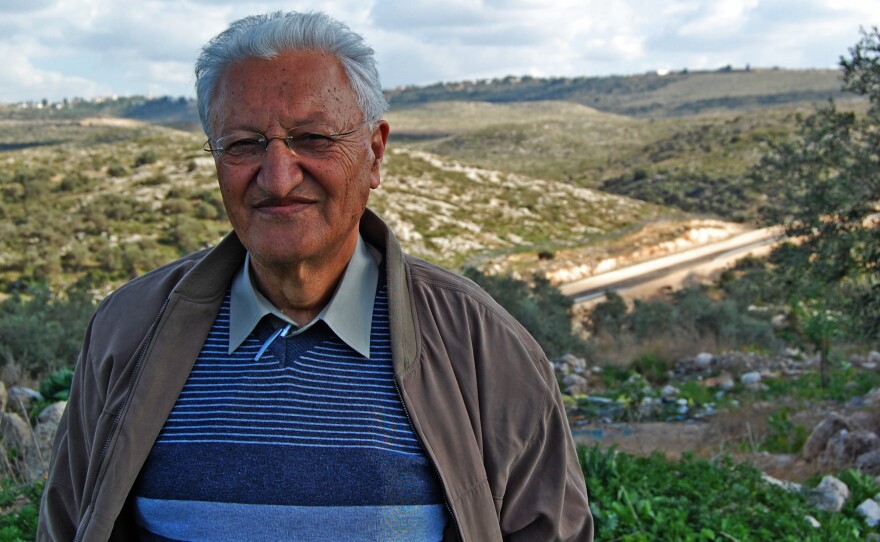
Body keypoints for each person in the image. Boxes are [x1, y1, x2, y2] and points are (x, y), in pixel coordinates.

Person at [38, 10, 592, 542]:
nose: (278, 178)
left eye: (313, 139)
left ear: (374, 154)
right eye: (243, 145)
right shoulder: (126, 330)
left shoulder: (482, 345)